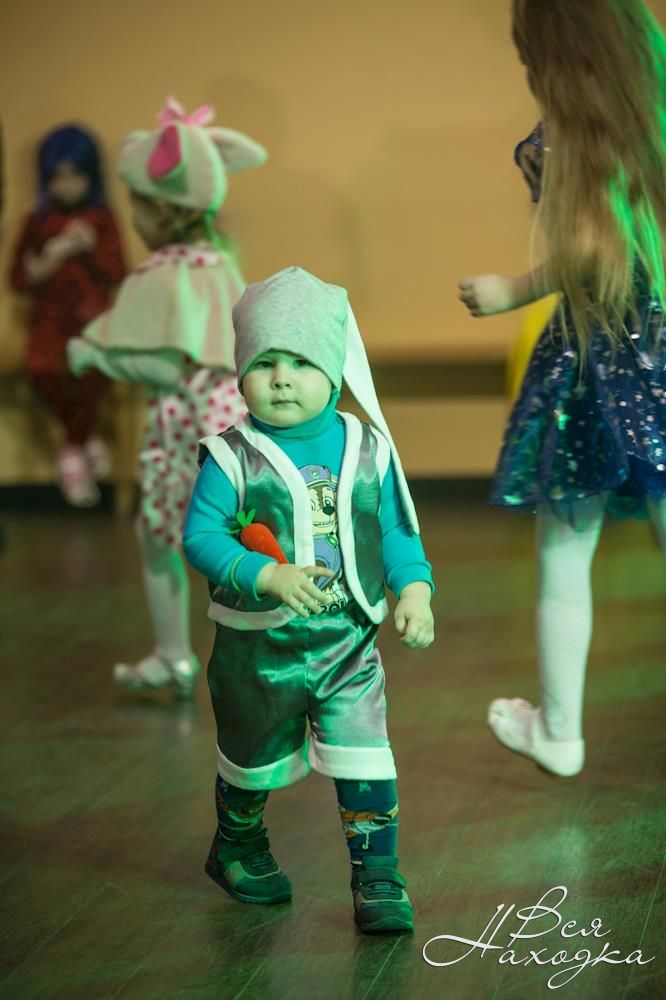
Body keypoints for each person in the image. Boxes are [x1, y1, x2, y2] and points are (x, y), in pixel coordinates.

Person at [183, 266, 435, 932]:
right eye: (264, 363)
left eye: (301, 361)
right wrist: (264, 575)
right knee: (251, 761)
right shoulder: (232, 457)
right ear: (241, 373)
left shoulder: (368, 447)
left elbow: (395, 530)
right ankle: (237, 844)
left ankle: (377, 875)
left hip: (349, 643)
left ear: (334, 368)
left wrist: (414, 589)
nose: (282, 378)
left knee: (367, 755)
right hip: (259, 652)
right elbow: (201, 537)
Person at [459, 0, 666, 777]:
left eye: (532, 61)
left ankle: (560, 731)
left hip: (590, 361)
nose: (530, 76)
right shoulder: (653, 127)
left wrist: (513, 291)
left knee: (565, 554)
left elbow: (590, 249)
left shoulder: (570, 136)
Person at [67, 98, 267, 697]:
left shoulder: (160, 274)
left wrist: (95, 353)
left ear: (160, 208)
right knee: (239, 536)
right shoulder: (221, 263)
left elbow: (160, 363)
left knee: (159, 538)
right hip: (235, 427)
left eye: (137, 204)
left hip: (185, 432)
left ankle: (174, 656)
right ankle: (263, 659)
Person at [9, 124, 126, 505]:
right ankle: (81, 442)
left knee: (95, 376)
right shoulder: (37, 221)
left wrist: (91, 248)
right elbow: (17, 280)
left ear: (91, 176)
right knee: (42, 375)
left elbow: (119, 273)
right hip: (47, 327)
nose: (66, 186)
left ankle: (74, 449)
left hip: (92, 324)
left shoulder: (102, 220)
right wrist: (46, 262)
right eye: (57, 177)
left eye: (75, 176)